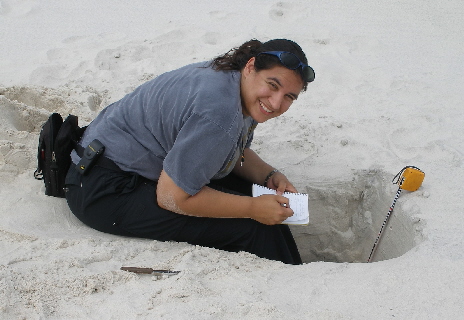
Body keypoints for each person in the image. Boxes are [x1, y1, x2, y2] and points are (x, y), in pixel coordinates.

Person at [65, 38, 315, 265]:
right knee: (256, 228)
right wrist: (252, 208)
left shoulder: (235, 80)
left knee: (263, 202)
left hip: (107, 158)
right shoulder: (220, 113)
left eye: (288, 97)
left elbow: (232, 148)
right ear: (251, 66)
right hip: (102, 188)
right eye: (272, 85)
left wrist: (268, 175)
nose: (275, 103)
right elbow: (172, 197)